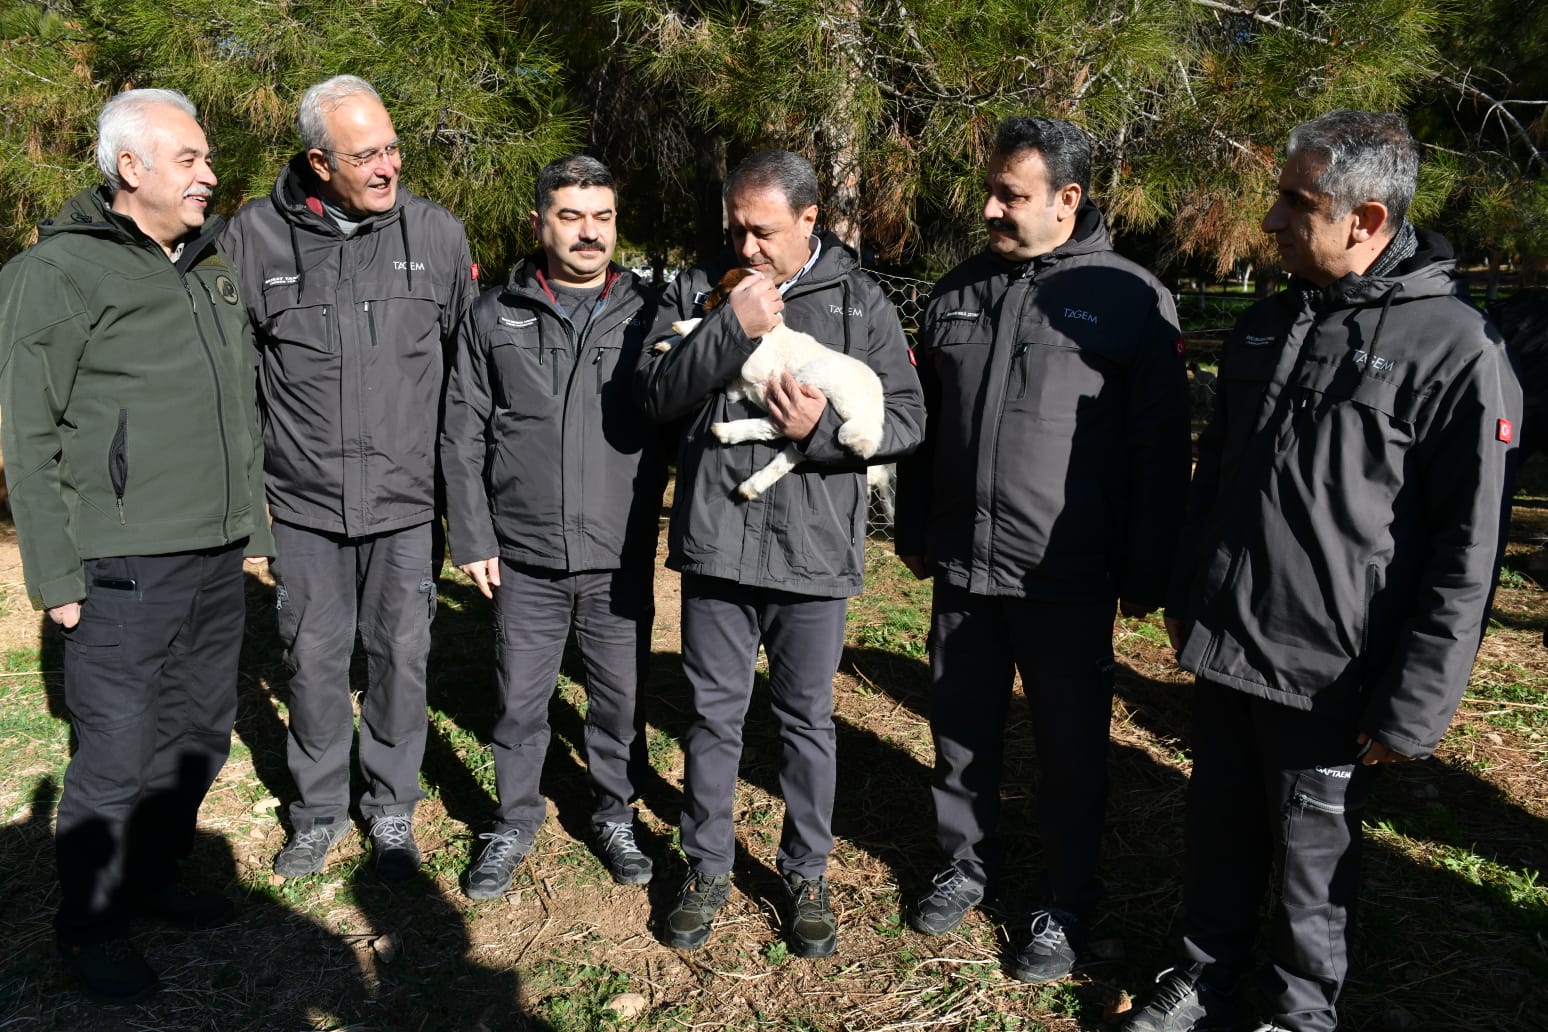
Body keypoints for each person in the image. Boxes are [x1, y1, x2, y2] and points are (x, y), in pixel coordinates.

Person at [1121, 111, 1521, 1032]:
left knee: (1312, 864)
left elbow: (1470, 551)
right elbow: (1213, 474)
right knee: (1217, 832)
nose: (1268, 222)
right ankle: (1202, 972)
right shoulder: (1268, 325)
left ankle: (1296, 1013)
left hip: (1332, 673)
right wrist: (1188, 597)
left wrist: (1416, 703)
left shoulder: (1456, 349)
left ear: (1367, 219)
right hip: (1229, 643)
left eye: (1293, 202)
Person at [892, 116, 1191, 982]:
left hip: (1067, 575)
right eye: (990, 188)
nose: (989, 207)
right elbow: (926, 429)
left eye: (1010, 196)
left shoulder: (1131, 298)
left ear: (1067, 200)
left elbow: (1159, 450)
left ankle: (1064, 901)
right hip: (964, 567)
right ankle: (963, 863)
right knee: (959, 731)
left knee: (1068, 749)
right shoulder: (954, 293)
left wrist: (1146, 568)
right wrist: (918, 535)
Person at [0, 88, 274, 1003]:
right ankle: (90, 924)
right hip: (121, 563)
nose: (210, 174)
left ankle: (154, 877)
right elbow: (25, 433)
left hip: (213, 551)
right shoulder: (57, 275)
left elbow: (239, 406)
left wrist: (254, 529)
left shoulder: (209, 264)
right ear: (131, 169)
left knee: (197, 737)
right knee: (115, 754)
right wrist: (53, 574)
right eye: (190, 159)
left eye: (206, 159)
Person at [636, 149, 924, 957]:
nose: (746, 247)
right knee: (712, 718)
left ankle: (806, 872)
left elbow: (906, 418)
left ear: (809, 221)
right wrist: (732, 327)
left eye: (762, 232)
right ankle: (706, 867)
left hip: (812, 549)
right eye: (736, 229)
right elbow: (656, 395)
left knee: (805, 720)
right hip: (719, 544)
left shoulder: (859, 299)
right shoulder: (701, 286)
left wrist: (823, 434)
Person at [223, 75, 477, 882]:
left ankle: (392, 809)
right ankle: (317, 811)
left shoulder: (436, 235)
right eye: (365, 155)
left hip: (406, 504)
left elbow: (468, 382)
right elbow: (232, 383)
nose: (386, 167)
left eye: (393, 147)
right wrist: (250, 509)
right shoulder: (254, 238)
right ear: (318, 162)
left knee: (403, 656)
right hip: (303, 506)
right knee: (312, 658)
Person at [440, 155, 667, 900]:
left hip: (617, 552)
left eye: (601, 216)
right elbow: (462, 433)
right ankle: (513, 818)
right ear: (542, 222)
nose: (589, 232)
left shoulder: (651, 313)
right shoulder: (493, 315)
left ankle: (613, 812)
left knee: (617, 697)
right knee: (519, 699)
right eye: (571, 216)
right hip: (525, 555)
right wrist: (471, 535)